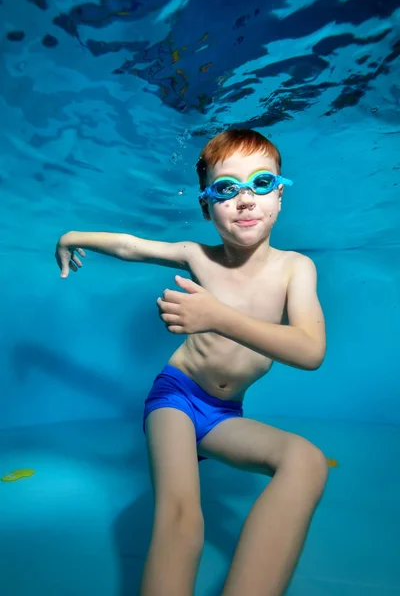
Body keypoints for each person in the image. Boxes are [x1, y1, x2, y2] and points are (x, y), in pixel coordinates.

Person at [55, 129, 328, 596]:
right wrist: (70, 236)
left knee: (306, 461)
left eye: (261, 183)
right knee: (184, 519)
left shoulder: (295, 268)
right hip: (177, 397)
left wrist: (217, 316)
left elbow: (310, 350)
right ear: (206, 207)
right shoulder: (197, 257)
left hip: (226, 415)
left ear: (280, 195)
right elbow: (129, 245)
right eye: (226, 189)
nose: (245, 199)